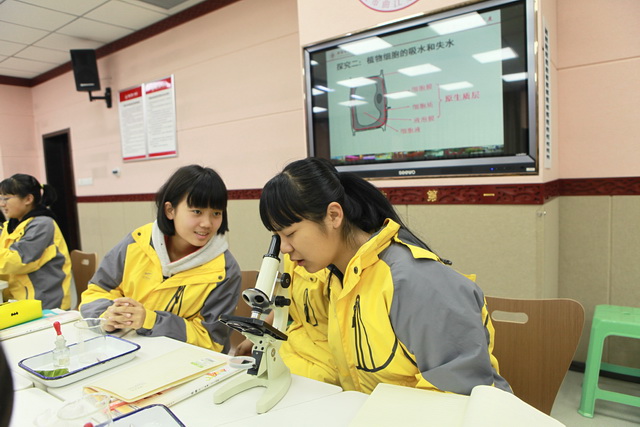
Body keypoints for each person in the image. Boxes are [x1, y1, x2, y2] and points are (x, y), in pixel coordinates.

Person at [258, 157, 511, 395]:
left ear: (334, 215)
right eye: (277, 236)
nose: (284, 248)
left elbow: (459, 393)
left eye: (290, 234)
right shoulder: (340, 277)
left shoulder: (413, 281)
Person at [79, 165, 241, 352]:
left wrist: (151, 321)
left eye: (216, 213)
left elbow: (212, 341)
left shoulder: (225, 270)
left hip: (185, 360)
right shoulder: (137, 243)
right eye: (197, 211)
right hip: (129, 350)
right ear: (170, 210)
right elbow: (97, 291)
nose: (207, 223)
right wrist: (106, 316)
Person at [235, 256, 338, 386]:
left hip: (324, 358)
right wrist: (252, 338)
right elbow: (288, 303)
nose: (285, 248)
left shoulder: (334, 271)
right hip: (291, 343)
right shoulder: (293, 259)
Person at [0, 174, 72, 310]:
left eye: (6, 198)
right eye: (0, 198)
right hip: (16, 297)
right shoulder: (11, 225)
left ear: (28, 199)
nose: (2, 204)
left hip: (43, 302)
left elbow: (16, 260)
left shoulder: (42, 224)